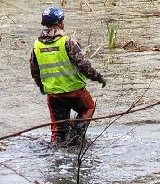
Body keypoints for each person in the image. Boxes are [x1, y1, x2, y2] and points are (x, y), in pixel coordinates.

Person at [30, 7, 105, 146]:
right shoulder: (68, 41)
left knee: (58, 131)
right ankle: (76, 136)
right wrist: (98, 77)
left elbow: (34, 70)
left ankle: (58, 154)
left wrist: (42, 87)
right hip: (75, 90)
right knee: (88, 108)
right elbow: (83, 65)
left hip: (53, 94)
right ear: (59, 22)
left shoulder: (36, 45)